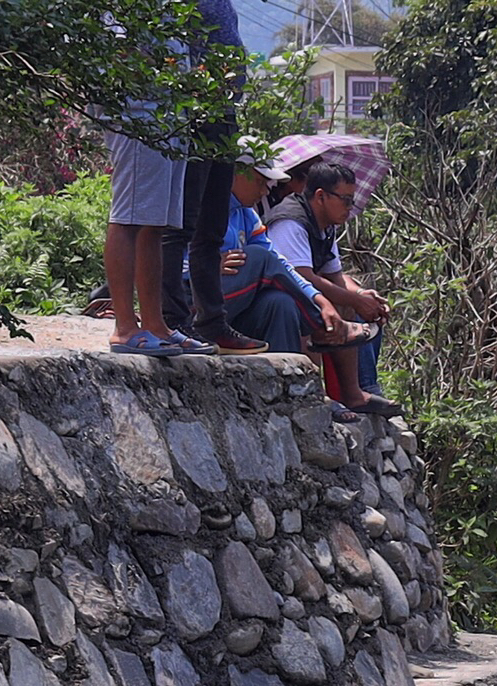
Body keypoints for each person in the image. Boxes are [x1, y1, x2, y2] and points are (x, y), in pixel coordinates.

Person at [261, 159, 399, 419]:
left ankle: (354, 392)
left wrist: (361, 298)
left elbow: (334, 275)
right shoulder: (290, 222)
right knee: (308, 307)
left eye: (352, 200)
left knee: (353, 304)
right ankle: (318, 392)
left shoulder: (326, 225)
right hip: (275, 299)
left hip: (303, 289)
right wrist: (351, 299)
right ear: (321, 196)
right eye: (345, 200)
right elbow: (300, 277)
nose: (350, 207)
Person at [158, 0, 257, 352]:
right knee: (180, 225)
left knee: (212, 229)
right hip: (194, 115)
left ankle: (213, 323)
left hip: (224, 114)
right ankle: (173, 320)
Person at [211, 157, 329, 358]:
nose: (265, 191)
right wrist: (207, 264)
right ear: (238, 174)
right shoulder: (202, 206)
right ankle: (322, 327)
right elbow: (169, 259)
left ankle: (290, 382)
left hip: (231, 309)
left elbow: (278, 263)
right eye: (260, 182)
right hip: (196, 306)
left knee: (280, 304)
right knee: (258, 256)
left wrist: (318, 298)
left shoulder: (247, 215)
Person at [104, 112, 194, 357]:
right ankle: (124, 329)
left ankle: (155, 325)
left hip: (170, 109)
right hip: (140, 107)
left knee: (155, 221)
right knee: (129, 215)